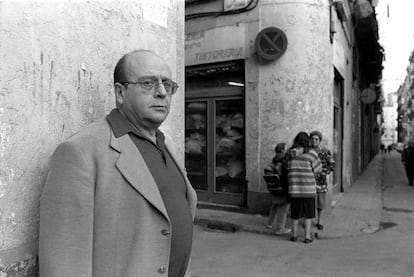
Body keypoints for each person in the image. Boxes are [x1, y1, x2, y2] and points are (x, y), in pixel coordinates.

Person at [39, 50, 197, 277]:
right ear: (120, 92)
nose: (162, 92)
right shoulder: (80, 152)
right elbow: (65, 260)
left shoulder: (167, 143)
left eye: (168, 84)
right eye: (148, 83)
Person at [286, 132, 322, 243]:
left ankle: (294, 235)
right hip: (308, 189)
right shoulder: (312, 154)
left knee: (295, 214)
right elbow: (318, 169)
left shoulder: (290, 154)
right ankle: (307, 237)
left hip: (294, 189)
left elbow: (286, 167)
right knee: (308, 214)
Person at [310, 130, 335, 231]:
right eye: (312, 139)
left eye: (316, 139)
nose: (314, 141)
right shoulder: (307, 151)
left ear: (319, 140)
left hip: (321, 181)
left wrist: (324, 172)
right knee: (310, 201)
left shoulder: (325, 151)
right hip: (309, 180)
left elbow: (332, 164)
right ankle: (309, 220)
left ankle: (320, 221)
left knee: (320, 202)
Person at [263, 143, 291, 235]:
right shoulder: (283, 161)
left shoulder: (274, 160)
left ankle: (270, 223)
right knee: (284, 206)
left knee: (274, 204)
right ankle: (280, 228)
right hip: (281, 186)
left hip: (273, 186)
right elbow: (283, 174)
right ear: (283, 151)